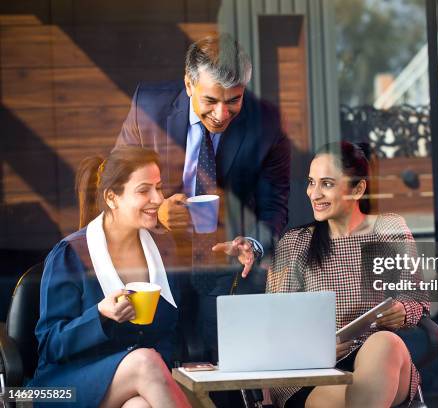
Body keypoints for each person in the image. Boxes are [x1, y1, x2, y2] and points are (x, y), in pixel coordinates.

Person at [116, 33, 291, 362]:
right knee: (160, 362)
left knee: (227, 366)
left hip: (228, 266)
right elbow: (116, 188)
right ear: (188, 84)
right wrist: (155, 213)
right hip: (157, 261)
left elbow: (274, 204)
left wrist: (253, 243)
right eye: (211, 100)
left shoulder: (267, 122)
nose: (222, 114)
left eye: (234, 100)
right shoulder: (147, 108)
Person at [267, 141, 429, 408]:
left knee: (384, 342)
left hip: (380, 360)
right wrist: (316, 350)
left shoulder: (388, 228)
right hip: (315, 370)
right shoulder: (295, 243)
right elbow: (276, 326)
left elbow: (417, 299)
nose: (314, 194)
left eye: (327, 184)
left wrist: (402, 309)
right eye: (311, 182)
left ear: (358, 189)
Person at [29, 147, 190, 408]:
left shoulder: (164, 249)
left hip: (135, 385)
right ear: (112, 198)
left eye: (159, 188)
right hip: (59, 389)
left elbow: (171, 333)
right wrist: (100, 316)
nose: (158, 199)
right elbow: (49, 345)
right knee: (144, 361)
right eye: (143, 190)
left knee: (139, 406)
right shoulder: (70, 255)